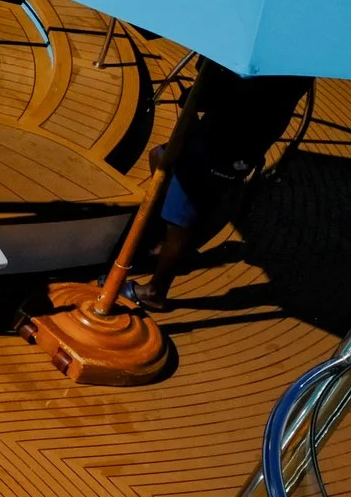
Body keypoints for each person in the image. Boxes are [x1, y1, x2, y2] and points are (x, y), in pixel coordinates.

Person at [128, 66, 313, 312]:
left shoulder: (241, 65)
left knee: (183, 214)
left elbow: (206, 96)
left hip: (221, 146)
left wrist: (201, 85)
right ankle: (172, 249)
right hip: (245, 143)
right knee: (161, 158)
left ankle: (155, 292)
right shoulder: (298, 67)